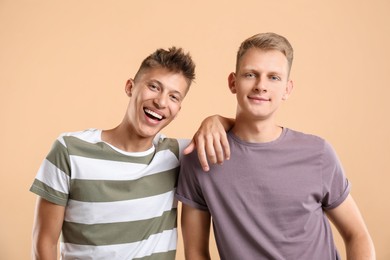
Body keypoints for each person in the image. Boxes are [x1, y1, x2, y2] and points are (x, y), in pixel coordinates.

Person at [176, 32, 376, 259]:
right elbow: (195, 253)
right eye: (251, 74)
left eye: (274, 77)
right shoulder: (202, 157)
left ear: (287, 89)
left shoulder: (318, 154)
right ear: (233, 82)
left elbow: (357, 234)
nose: (261, 86)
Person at [30, 46, 232, 260]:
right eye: (154, 87)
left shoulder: (179, 155)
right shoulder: (70, 150)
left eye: (174, 97)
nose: (161, 102)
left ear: (178, 110)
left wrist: (216, 120)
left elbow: (249, 134)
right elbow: (44, 242)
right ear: (130, 87)